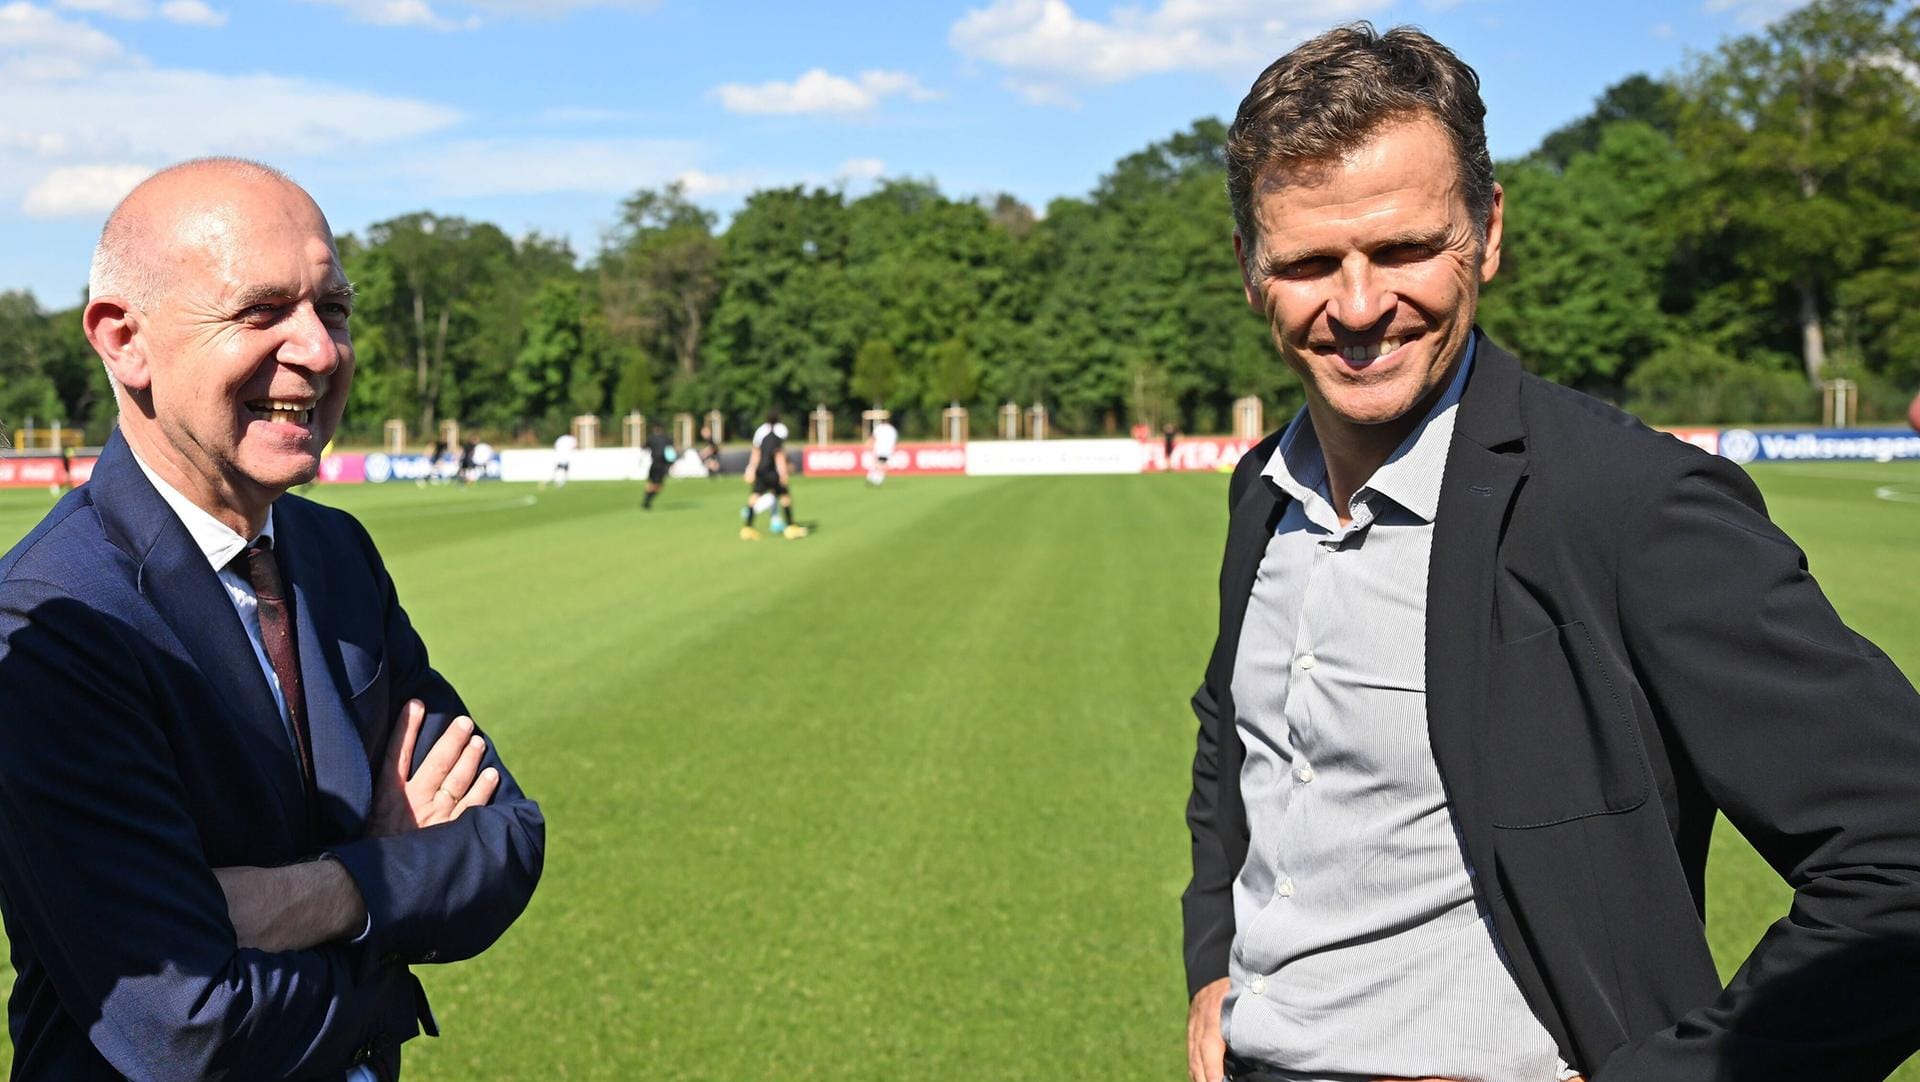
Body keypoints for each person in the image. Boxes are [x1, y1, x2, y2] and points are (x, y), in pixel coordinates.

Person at [1183, 24, 1920, 1082]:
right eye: (1307, 261)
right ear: (1252, 269)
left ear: (1486, 231)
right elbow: (1236, 742)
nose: (1355, 307)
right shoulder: (1266, 489)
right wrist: (1214, 957)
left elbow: (1900, 851)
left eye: (1401, 249)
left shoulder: (1627, 502)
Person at [0, 158, 545, 1079]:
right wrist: (389, 946)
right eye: (261, 313)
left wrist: (326, 893)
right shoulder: (57, 619)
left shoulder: (334, 556)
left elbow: (507, 839)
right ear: (123, 339)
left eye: (332, 309)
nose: (322, 351)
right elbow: (186, 1029)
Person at [740, 410, 802, 539]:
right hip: (772, 472)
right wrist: (783, 474)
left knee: (754, 497)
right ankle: (790, 527)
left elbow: (756, 453)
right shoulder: (777, 437)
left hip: (761, 470)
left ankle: (747, 528)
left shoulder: (761, 435)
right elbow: (779, 456)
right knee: (785, 497)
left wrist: (751, 470)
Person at [642, 422, 674, 510]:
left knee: (652, 483)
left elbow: (643, 447)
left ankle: (646, 501)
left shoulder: (651, 438)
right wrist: (672, 463)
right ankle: (646, 502)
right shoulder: (667, 438)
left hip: (654, 464)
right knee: (659, 486)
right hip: (662, 465)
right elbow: (671, 451)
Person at [866, 413, 899, 486]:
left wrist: (869, 444)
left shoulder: (879, 428)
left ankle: (873, 477)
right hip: (888, 449)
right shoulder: (892, 429)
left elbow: (873, 437)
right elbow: (895, 440)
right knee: (883, 463)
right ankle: (877, 478)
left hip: (879, 448)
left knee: (878, 462)